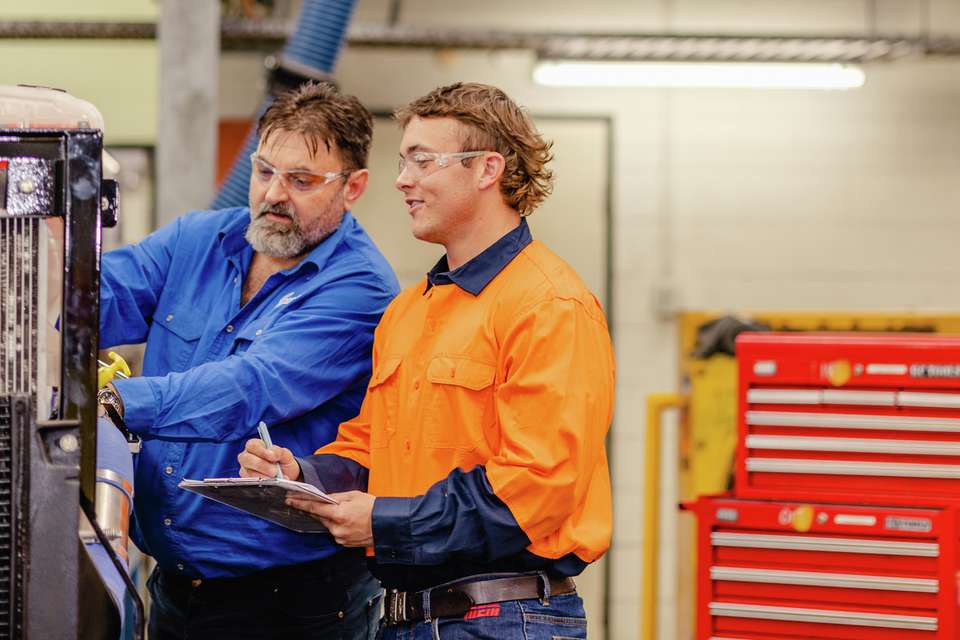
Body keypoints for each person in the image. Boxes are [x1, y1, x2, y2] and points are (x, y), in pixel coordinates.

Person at [239, 82, 615, 639]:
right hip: (404, 618)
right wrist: (304, 476)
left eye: (422, 160)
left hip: (504, 619)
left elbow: (536, 490)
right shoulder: (409, 311)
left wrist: (383, 521)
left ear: (487, 169)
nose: (402, 180)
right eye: (402, 161)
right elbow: (372, 447)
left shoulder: (549, 305)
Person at [97, 82, 399, 639]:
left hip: (294, 602)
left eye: (301, 181)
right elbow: (95, 297)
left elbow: (249, 386)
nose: (273, 195)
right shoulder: (199, 241)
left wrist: (116, 400)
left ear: (353, 186)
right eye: (264, 172)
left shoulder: (360, 288)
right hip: (178, 588)